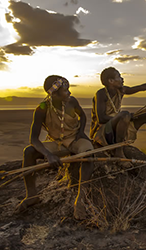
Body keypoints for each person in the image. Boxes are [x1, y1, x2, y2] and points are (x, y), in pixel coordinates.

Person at [15, 75, 94, 220]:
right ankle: (31, 195)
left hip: (75, 140)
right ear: (54, 94)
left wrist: (81, 132)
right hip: (56, 143)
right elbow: (34, 139)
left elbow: (82, 116)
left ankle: (81, 200)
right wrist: (48, 154)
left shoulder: (72, 101)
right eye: (66, 90)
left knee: (88, 152)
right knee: (29, 152)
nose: (69, 93)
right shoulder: (41, 109)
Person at [90, 67, 146, 166]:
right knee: (125, 114)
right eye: (119, 76)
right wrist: (123, 117)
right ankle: (119, 152)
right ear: (111, 81)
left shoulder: (121, 90)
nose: (122, 79)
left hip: (118, 126)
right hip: (103, 132)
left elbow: (141, 87)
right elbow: (101, 119)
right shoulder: (101, 94)